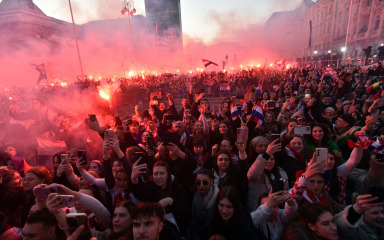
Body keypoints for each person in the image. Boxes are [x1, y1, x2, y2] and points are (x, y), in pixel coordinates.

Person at [189, 168, 220, 240]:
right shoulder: (193, 196)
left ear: (211, 181)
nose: (201, 186)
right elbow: (192, 222)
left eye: (205, 182)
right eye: (198, 183)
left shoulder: (219, 198)